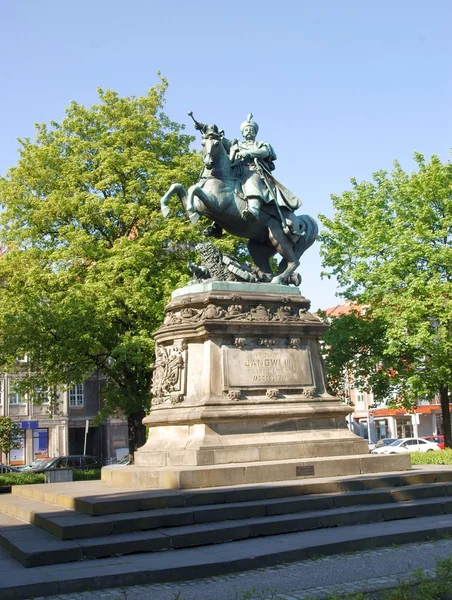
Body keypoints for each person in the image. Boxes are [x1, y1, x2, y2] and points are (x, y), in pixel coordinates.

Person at [229, 114, 301, 225]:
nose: (249, 131)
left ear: (255, 133)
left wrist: (248, 153)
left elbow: (265, 152)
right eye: (246, 130)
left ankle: (254, 209)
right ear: (242, 133)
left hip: (254, 170)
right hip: (237, 172)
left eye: (251, 129)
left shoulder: (261, 144)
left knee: (251, 180)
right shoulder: (236, 144)